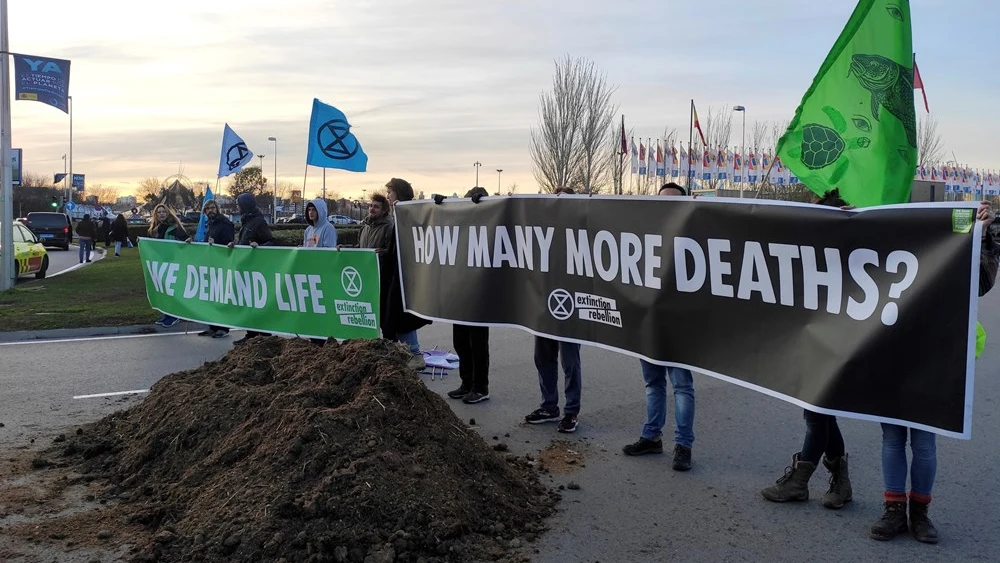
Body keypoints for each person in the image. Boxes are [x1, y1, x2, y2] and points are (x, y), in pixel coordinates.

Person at [869, 200, 997, 544]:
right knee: (893, 437)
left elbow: (981, 282)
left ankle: (920, 513)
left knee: (924, 442)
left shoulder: (950, 252)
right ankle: (893, 510)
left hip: (934, 358)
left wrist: (980, 237)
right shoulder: (881, 249)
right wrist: (843, 220)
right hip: (891, 354)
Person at [760, 188, 854, 502]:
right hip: (810, 343)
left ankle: (800, 481)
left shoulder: (851, 253)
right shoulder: (806, 250)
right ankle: (840, 482)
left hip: (836, 345)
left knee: (817, 413)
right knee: (822, 413)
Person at [621, 183, 695, 471]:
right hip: (649, 323)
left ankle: (683, 445)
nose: (666, 206)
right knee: (653, 383)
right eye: (661, 200)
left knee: (682, 386)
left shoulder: (694, 236)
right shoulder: (645, 233)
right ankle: (651, 437)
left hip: (679, 324)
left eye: (673, 201)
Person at [524, 187, 583, 434]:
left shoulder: (581, 232)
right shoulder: (542, 232)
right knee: (543, 358)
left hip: (570, 308)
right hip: (545, 308)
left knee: (570, 362)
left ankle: (571, 411)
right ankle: (549, 406)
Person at [444, 188, 492, 404]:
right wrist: (441, 206)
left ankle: (481, 387)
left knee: (478, 344)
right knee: (460, 341)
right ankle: (466, 382)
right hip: (460, 293)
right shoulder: (462, 227)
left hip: (480, 295)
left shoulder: (489, 225)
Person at [383, 178, 432, 370]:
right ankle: (402, 353)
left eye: (390, 192)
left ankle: (414, 354)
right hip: (396, 273)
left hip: (407, 275)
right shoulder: (398, 215)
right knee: (394, 317)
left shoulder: (410, 214)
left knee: (403, 316)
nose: (388, 196)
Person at [229, 193, 277, 344]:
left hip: (256, 270)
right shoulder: (246, 221)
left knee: (257, 303)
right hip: (245, 269)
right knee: (248, 303)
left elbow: (272, 241)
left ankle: (262, 336)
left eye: (239, 204)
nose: (237, 207)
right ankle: (251, 333)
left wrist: (260, 247)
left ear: (245, 205)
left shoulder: (258, 222)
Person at [188, 199, 235, 339]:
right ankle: (213, 326)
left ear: (217, 209)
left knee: (221, 297)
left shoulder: (224, 223)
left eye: (212, 208)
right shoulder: (210, 224)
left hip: (222, 265)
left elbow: (229, 243)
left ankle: (223, 328)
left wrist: (217, 244)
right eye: (207, 209)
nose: (210, 210)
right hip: (211, 265)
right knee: (212, 297)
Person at [302, 198, 337, 344]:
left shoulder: (328, 228)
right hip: (310, 277)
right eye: (309, 210)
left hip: (322, 277)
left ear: (320, 211)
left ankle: (325, 340)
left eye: (314, 209)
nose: (311, 212)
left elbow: (329, 252)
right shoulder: (308, 231)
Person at [148, 204, 188, 328]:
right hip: (160, 264)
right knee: (163, 290)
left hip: (173, 263)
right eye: (159, 212)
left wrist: (186, 241)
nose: (161, 214)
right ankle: (166, 313)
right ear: (156, 215)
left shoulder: (175, 227)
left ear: (168, 213)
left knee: (172, 290)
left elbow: (185, 240)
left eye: (163, 212)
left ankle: (175, 315)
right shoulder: (155, 229)